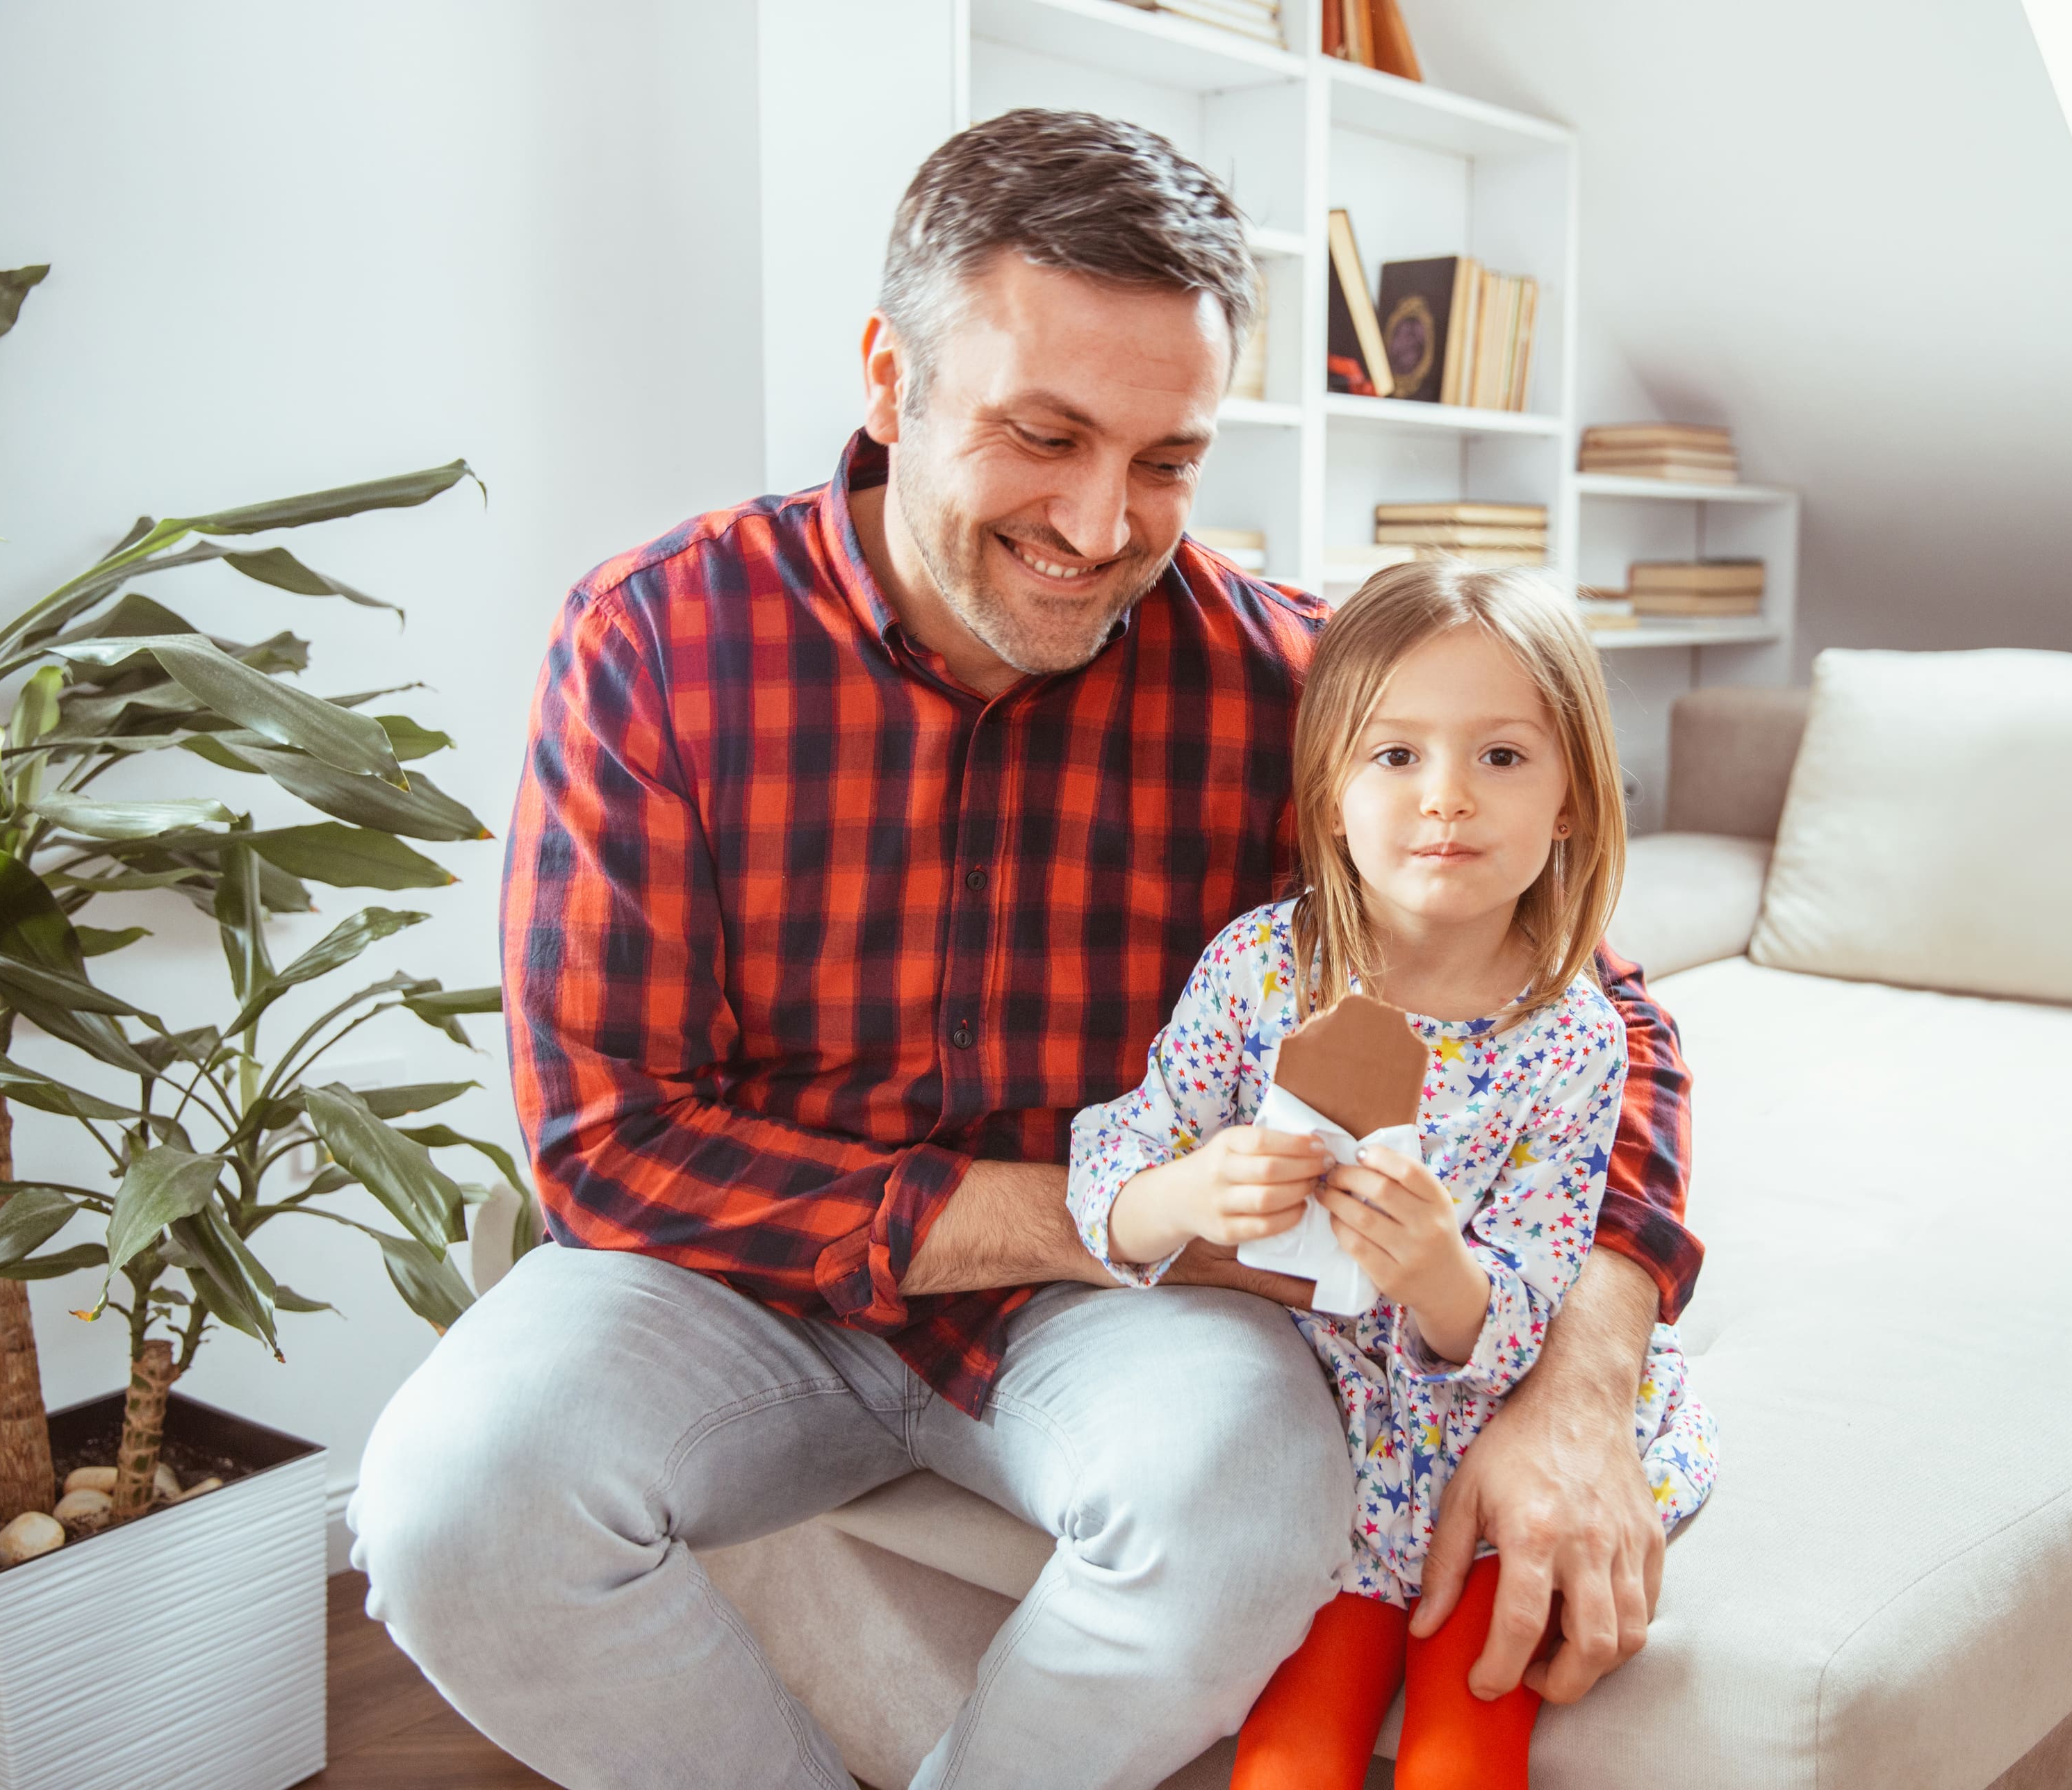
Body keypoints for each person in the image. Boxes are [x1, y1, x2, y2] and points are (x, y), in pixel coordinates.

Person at [347, 108, 1703, 1790]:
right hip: (752, 1283)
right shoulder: (656, 641)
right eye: (1042, 433)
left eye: (1167, 460)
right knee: (445, 1508)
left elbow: (1596, 997)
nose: (1099, 520)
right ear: (889, 378)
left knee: (1255, 1498)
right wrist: (1104, 1207)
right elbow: (607, 1147)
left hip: (1112, 1314)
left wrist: (1578, 1380)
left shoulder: (1284, 687)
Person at [1069, 566, 1716, 1789]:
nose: (1448, 802)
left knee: (1460, 1752)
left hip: (1483, 1442)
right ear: (1329, 787)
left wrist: (1438, 1274)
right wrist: (1191, 1193)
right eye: (1398, 756)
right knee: (1292, 1756)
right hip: (1319, 1446)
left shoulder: (1576, 1037)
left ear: (1574, 796)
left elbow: (1528, 1293)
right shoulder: (1261, 973)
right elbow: (1118, 1157)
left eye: (1505, 759)